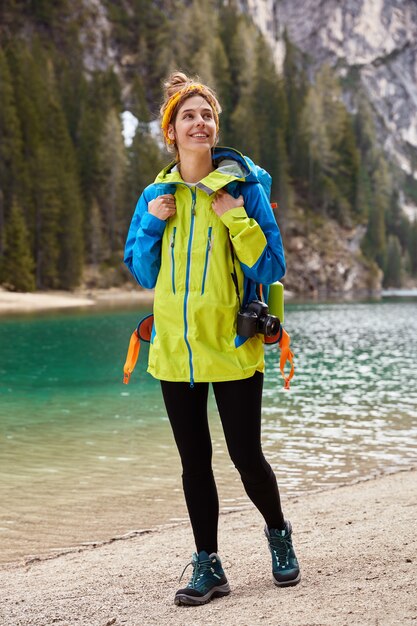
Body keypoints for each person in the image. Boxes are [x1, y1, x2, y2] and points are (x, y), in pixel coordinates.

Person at [124, 71, 300, 606]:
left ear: (215, 127)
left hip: (233, 346)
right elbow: (142, 271)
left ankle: (278, 535)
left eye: (207, 116)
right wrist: (153, 223)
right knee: (193, 462)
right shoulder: (156, 195)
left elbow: (273, 265)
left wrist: (238, 220)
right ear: (170, 131)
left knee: (247, 455)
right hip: (175, 351)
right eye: (188, 116)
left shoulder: (244, 188)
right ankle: (209, 565)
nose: (200, 124)